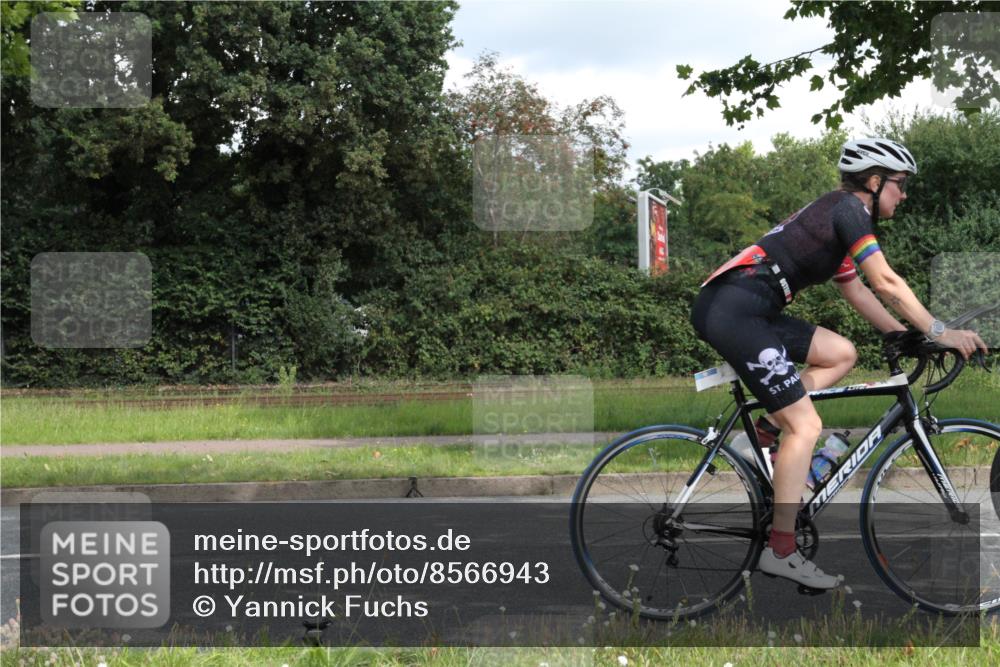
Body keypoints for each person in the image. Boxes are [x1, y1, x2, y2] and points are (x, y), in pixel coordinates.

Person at [690, 138, 989, 589]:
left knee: (841, 353)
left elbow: (858, 291)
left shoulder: (838, 216)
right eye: (900, 185)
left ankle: (766, 436)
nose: (903, 195)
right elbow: (885, 280)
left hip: (749, 309)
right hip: (734, 311)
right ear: (874, 181)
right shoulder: (849, 210)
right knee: (807, 427)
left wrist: (898, 334)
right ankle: (782, 551)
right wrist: (939, 331)